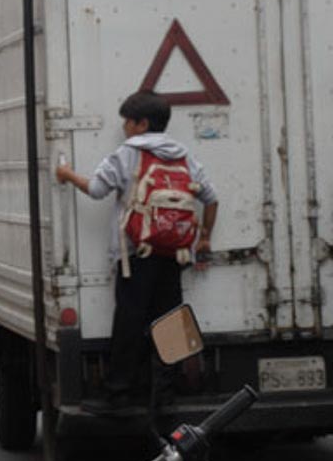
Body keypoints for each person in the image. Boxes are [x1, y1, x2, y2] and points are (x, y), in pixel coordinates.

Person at [56, 91, 217, 409]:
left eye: (128, 122)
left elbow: (97, 189)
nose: (124, 127)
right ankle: (166, 394)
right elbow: (210, 198)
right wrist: (204, 238)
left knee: (129, 322)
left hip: (136, 254)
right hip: (174, 253)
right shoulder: (183, 155)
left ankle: (118, 392)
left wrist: (66, 174)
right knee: (170, 321)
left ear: (142, 124)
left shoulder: (127, 153)